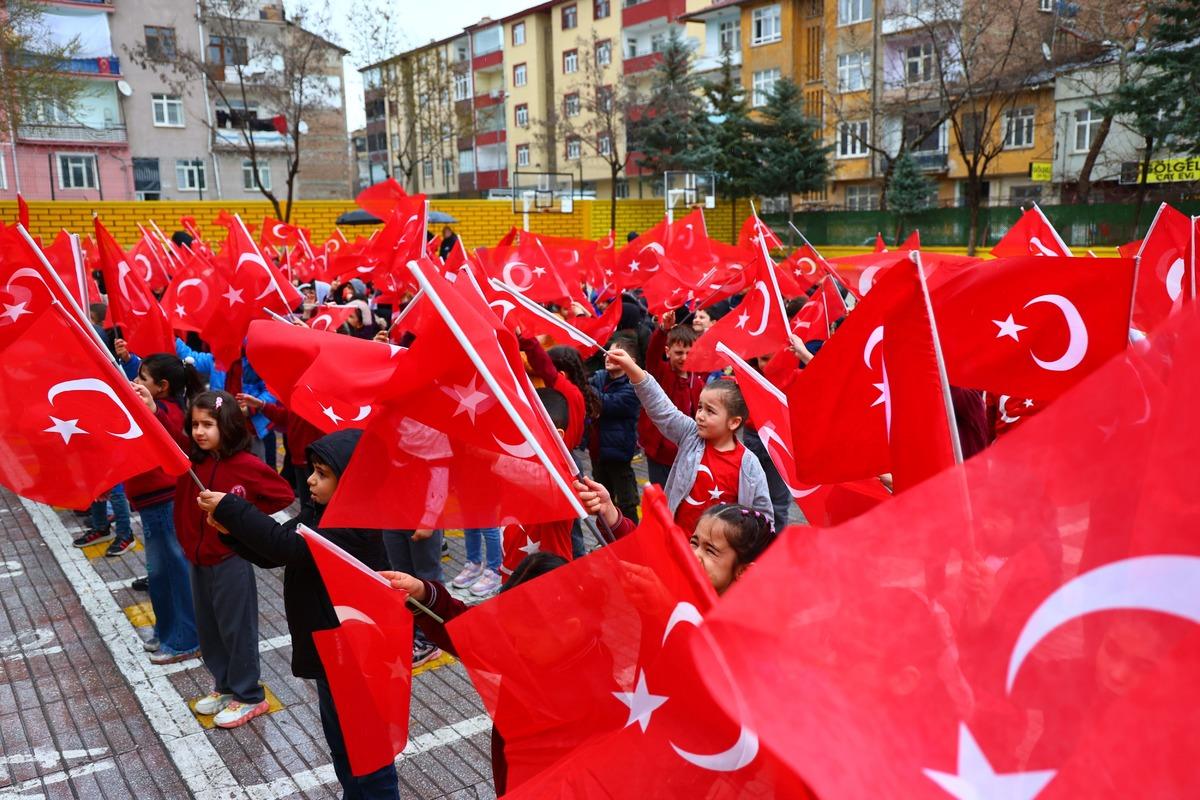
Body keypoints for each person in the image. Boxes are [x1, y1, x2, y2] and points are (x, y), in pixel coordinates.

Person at [197, 429, 400, 799]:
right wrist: (231, 532)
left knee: (369, 754)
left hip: (357, 652)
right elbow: (275, 552)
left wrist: (232, 508)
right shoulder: (322, 513)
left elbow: (287, 546)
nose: (310, 479)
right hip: (332, 650)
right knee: (342, 744)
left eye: (323, 474)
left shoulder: (353, 525)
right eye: (313, 470)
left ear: (352, 481)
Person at [174, 391, 293, 728]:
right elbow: (166, 438)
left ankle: (249, 695)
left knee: (236, 628)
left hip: (229, 558)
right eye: (195, 424)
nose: (199, 431)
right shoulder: (192, 462)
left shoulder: (245, 465)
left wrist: (241, 517)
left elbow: (283, 494)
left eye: (208, 424)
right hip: (198, 558)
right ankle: (224, 685)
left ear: (226, 426)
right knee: (209, 628)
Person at [605, 346, 772, 532]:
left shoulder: (749, 465)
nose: (700, 415)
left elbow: (763, 518)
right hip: (675, 545)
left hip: (714, 556)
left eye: (710, 411)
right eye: (700, 407)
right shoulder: (691, 436)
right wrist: (632, 369)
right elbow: (662, 409)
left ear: (733, 423)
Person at [126, 354, 203, 664]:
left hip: (165, 499)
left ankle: (187, 637)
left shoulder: (169, 410)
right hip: (149, 503)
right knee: (158, 573)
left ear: (162, 387)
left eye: (143, 379)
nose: (137, 383)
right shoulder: (152, 406)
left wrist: (154, 409)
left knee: (174, 570)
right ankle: (167, 627)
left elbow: (175, 434)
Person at [638, 314, 705, 488]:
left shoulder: (697, 382)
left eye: (688, 353)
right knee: (661, 495)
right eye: (678, 353)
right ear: (667, 352)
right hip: (660, 452)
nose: (684, 358)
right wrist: (663, 330)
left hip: (684, 452)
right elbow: (652, 353)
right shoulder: (660, 371)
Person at [587, 335, 642, 525]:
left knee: (626, 503)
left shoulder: (633, 386)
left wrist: (584, 387)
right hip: (597, 452)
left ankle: (633, 541)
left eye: (616, 353)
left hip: (618, 454)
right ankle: (608, 541)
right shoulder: (599, 377)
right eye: (607, 352)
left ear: (630, 362)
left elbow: (605, 404)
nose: (608, 356)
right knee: (601, 504)